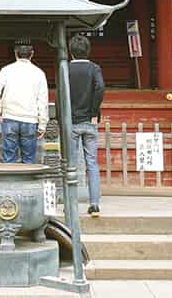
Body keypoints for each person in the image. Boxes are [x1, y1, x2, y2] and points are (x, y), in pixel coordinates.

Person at [0, 40, 49, 164]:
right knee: (29, 160)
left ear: (15, 53)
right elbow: (42, 102)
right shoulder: (39, 73)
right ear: (32, 54)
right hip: (30, 120)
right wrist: (42, 124)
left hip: (10, 117)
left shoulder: (6, 70)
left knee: (9, 159)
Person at [66, 34, 105, 216]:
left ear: (70, 51)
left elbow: (61, 93)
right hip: (90, 121)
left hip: (72, 121)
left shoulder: (66, 68)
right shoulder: (94, 68)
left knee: (71, 163)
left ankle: (71, 202)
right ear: (88, 50)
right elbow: (100, 87)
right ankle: (94, 204)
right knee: (92, 163)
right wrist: (94, 112)